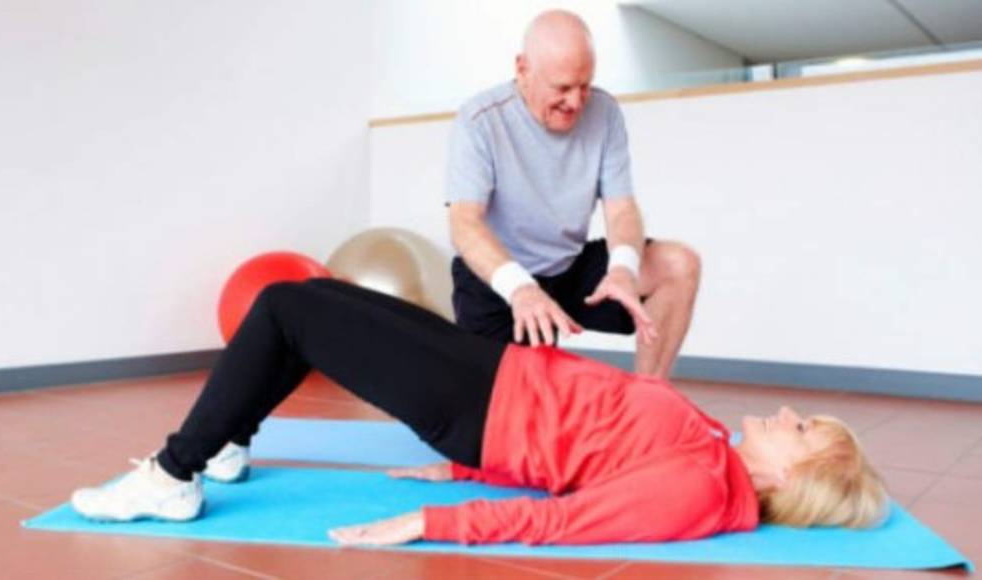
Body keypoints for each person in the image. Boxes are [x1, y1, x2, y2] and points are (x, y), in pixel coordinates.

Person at [71, 279, 888, 546]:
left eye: (803, 427)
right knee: (308, 306)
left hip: (479, 401)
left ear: (792, 471)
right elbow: (586, 453)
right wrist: (462, 467)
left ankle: (174, 475)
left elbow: (570, 520)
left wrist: (432, 517)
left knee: (288, 307)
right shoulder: (713, 449)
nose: (788, 413)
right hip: (496, 379)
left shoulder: (705, 493)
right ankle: (228, 445)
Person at [448, 10, 700, 377]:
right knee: (502, 419)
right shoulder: (479, 120)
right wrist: (521, 289)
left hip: (568, 269)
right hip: (500, 281)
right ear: (523, 69)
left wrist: (623, 270)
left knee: (678, 264)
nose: (577, 102)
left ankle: (650, 399)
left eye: (585, 85)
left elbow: (621, 210)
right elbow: (464, 225)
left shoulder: (605, 111)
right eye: (563, 88)